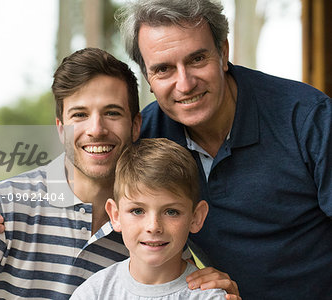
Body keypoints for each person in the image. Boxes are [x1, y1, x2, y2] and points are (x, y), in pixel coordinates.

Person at [0, 48, 239, 299]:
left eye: (112, 113)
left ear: (136, 126)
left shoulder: (150, 229)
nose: (96, 129)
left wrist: (214, 287)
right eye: (80, 114)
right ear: (61, 129)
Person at [117, 0, 332, 299]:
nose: (185, 83)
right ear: (148, 78)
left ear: (223, 53)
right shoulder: (146, 137)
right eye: (164, 69)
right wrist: (187, 277)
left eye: (197, 59)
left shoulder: (308, 118)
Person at [70, 138, 226, 299]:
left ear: (196, 217)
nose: (153, 226)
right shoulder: (93, 293)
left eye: (171, 212)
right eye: (137, 211)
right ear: (115, 215)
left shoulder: (210, 296)